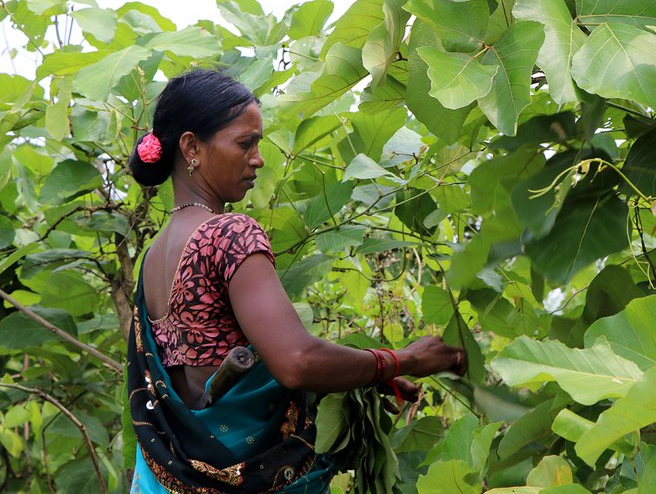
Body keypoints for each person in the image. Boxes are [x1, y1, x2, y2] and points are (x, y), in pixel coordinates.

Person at [126, 69, 467, 493]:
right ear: (192, 147)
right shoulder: (227, 234)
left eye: (259, 144)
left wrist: (362, 374)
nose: (258, 158)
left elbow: (208, 376)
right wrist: (402, 360)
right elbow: (296, 361)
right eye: (245, 143)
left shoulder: (154, 256)